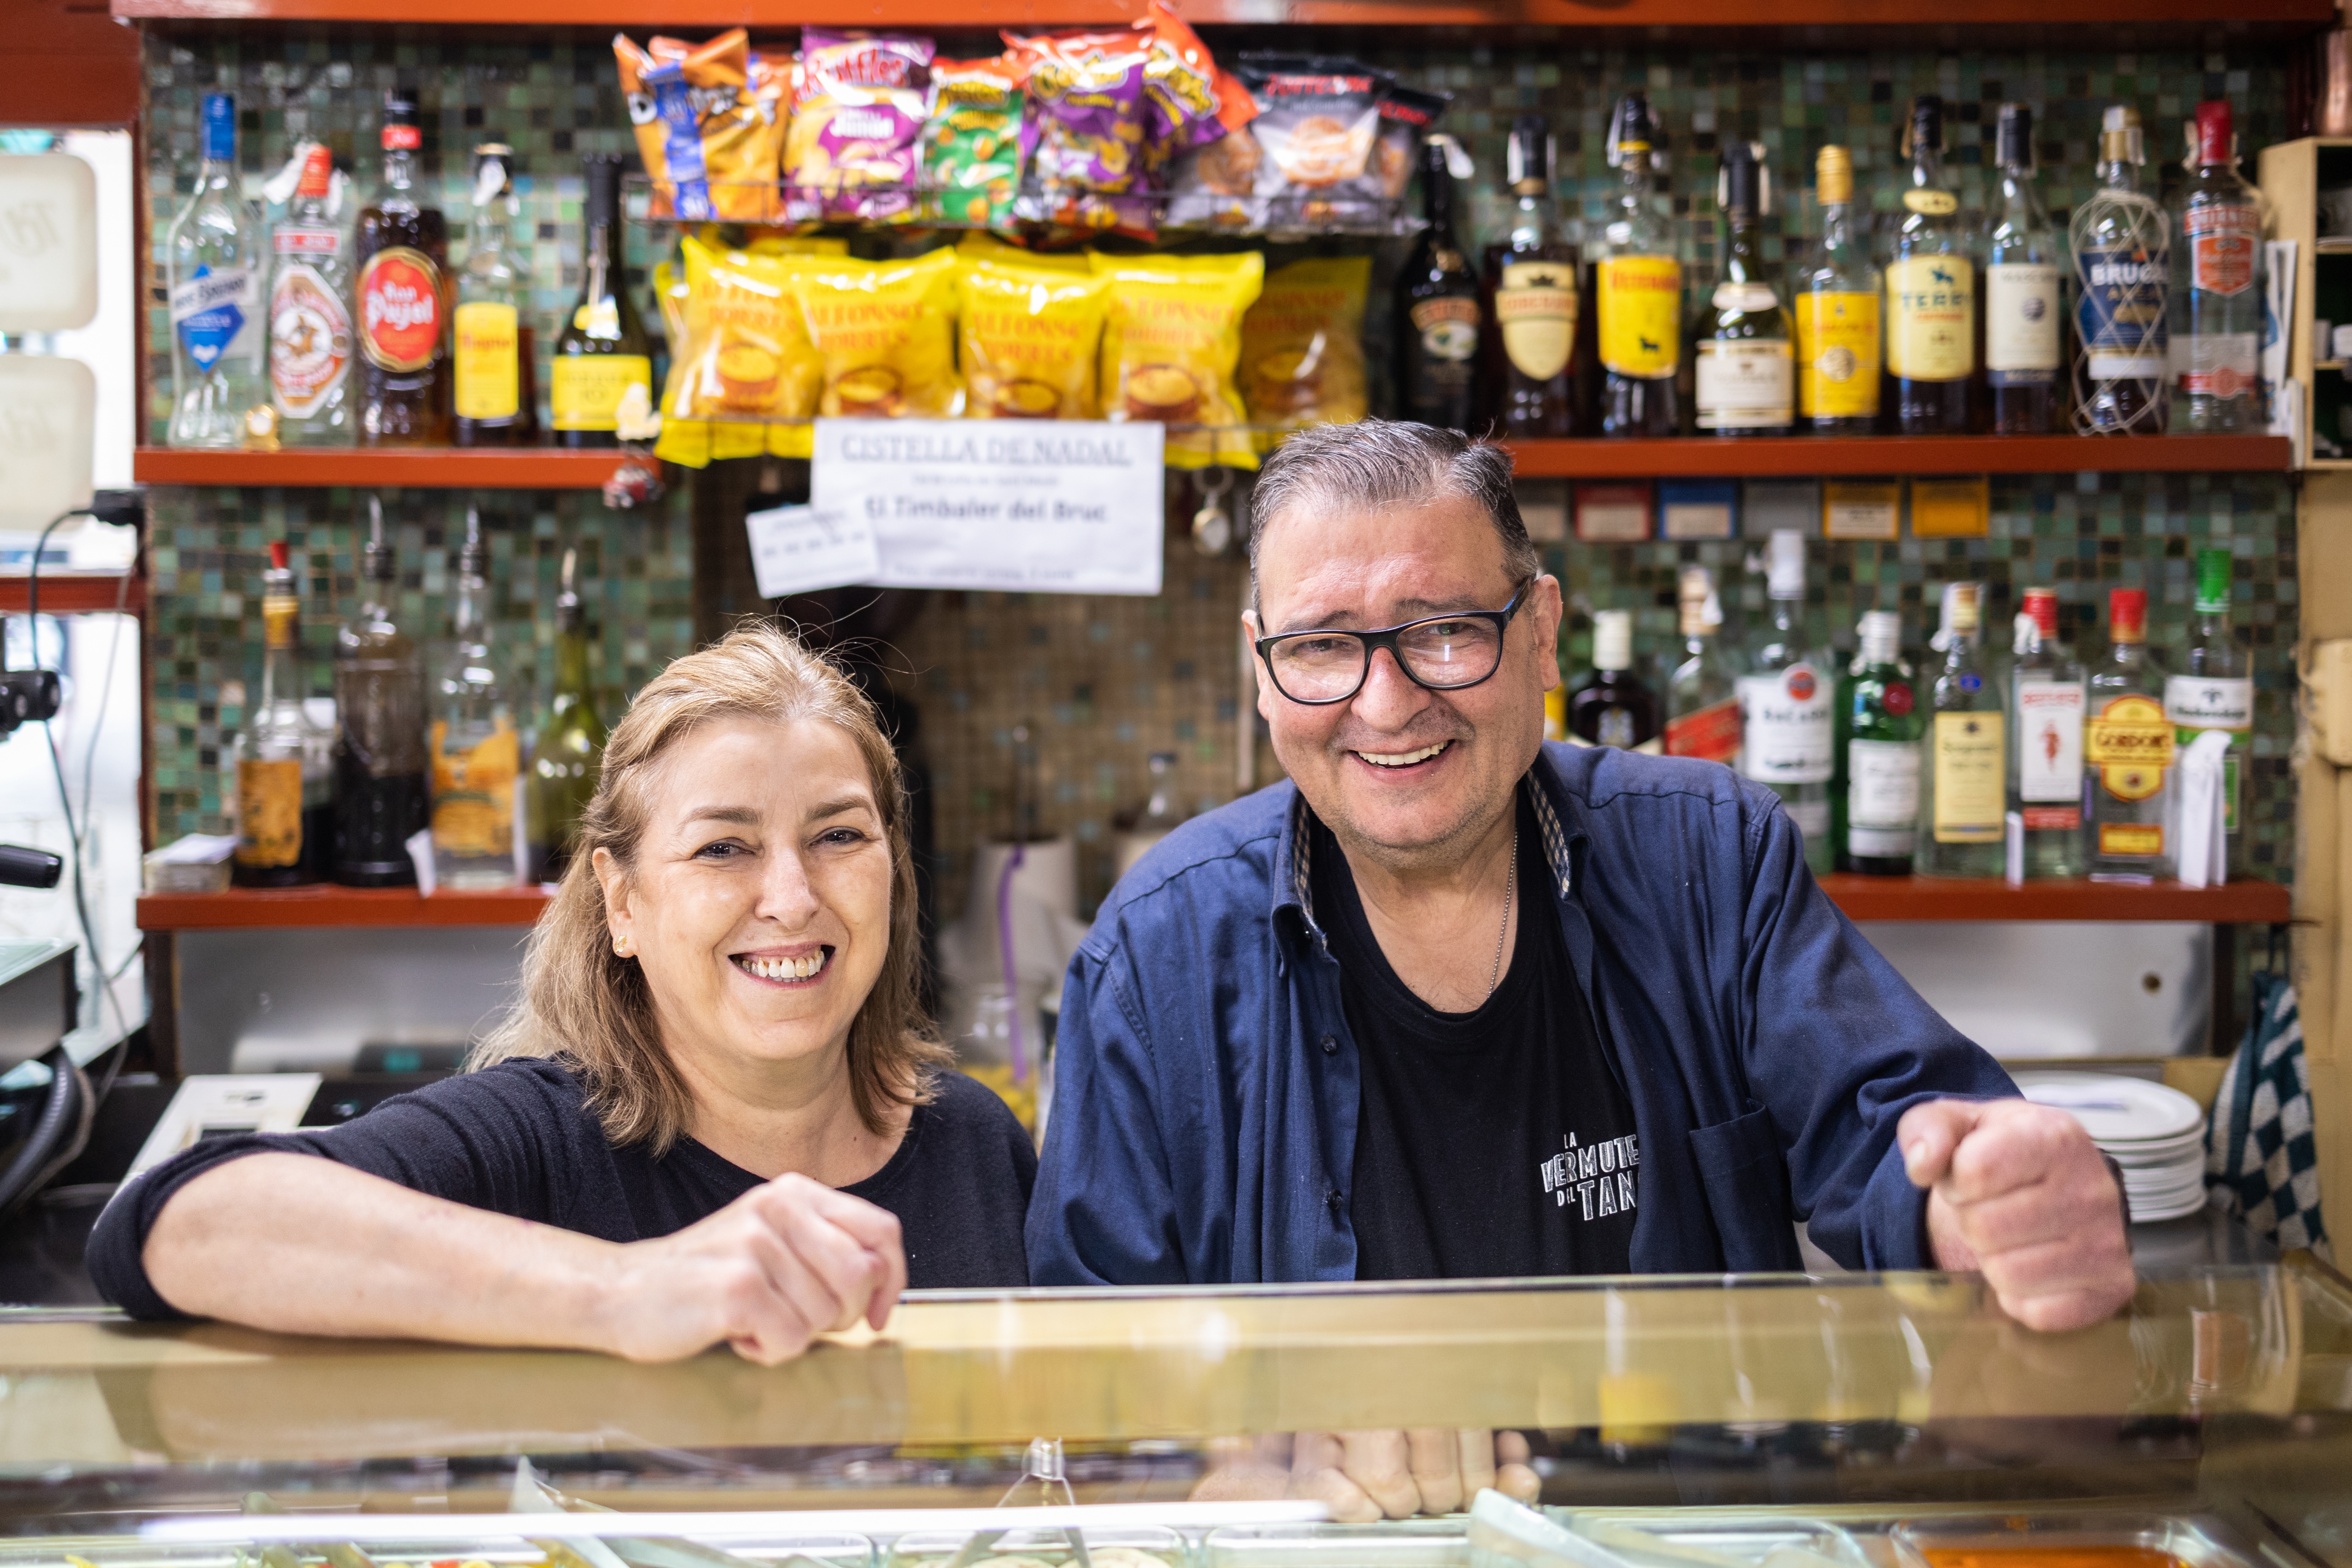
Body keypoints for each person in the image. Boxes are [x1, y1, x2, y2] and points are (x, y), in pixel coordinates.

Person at [1030, 420, 2133, 1332]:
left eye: (1446, 631)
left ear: (1543, 633)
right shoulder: (1152, 955)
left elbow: (1895, 1132)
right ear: (1263, 670)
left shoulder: (1711, 859)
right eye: (1323, 645)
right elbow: (1094, 1353)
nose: (1386, 703)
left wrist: (1986, 1201)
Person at [91, 625, 1034, 1362]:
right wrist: (629, 1291)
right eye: (721, 847)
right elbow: (175, 1223)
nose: (792, 897)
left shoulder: (977, 1141)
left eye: (839, 835)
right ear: (623, 903)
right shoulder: (537, 1141)